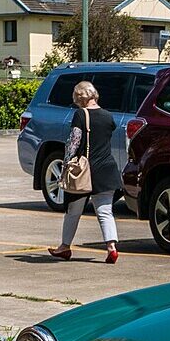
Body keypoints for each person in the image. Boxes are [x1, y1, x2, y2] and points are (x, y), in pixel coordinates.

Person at [50, 81, 121, 262]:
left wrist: (66, 162)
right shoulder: (108, 116)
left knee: (73, 210)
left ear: (79, 97)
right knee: (105, 211)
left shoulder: (80, 115)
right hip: (107, 168)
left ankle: (64, 247)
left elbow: (75, 141)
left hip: (84, 171)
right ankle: (111, 247)